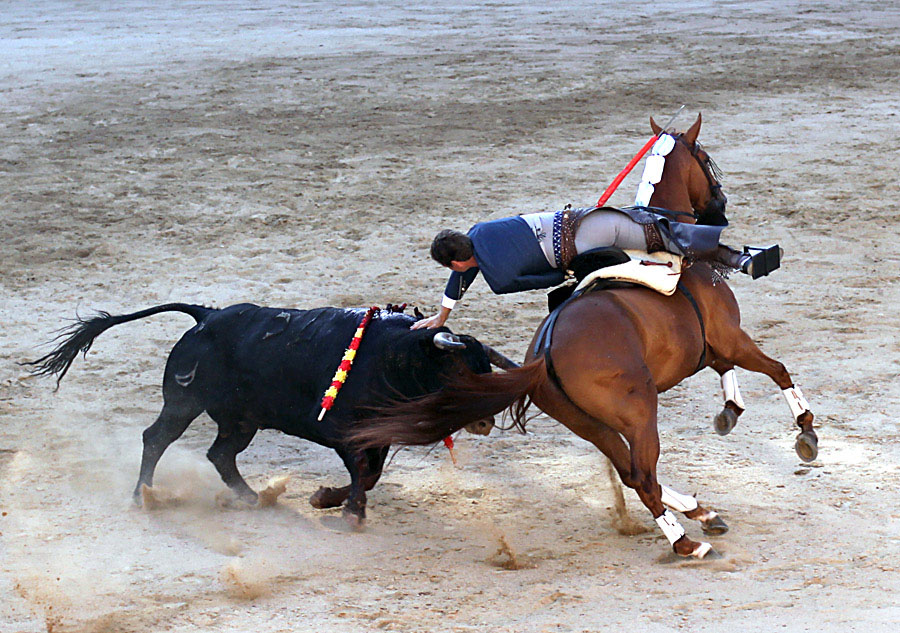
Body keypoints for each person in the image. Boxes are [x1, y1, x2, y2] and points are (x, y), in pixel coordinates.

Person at [411, 206, 779, 330]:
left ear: (457, 261)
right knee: (660, 229)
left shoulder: (499, 279)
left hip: (585, 251)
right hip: (586, 221)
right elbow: (465, 271)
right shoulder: (479, 232)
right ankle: (739, 258)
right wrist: (445, 312)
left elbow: (552, 278)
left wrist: (442, 318)